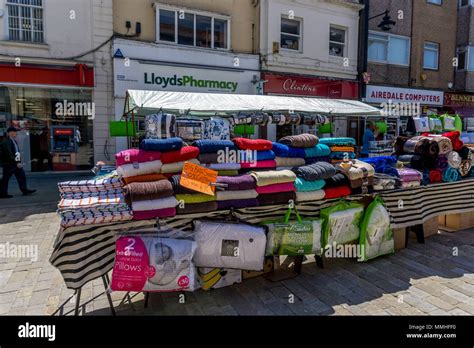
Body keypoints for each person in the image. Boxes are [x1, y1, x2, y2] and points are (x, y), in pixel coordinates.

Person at [0, 127, 36, 199]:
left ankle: (24, 190)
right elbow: (9, 153)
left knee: (21, 175)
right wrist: (16, 162)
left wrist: (18, 161)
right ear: (10, 133)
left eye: (16, 132)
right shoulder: (6, 142)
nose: (16, 133)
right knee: (5, 179)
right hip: (8, 164)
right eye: (15, 132)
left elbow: (16, 152)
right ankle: (2, 193)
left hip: (15, 163)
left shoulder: (14, 141)